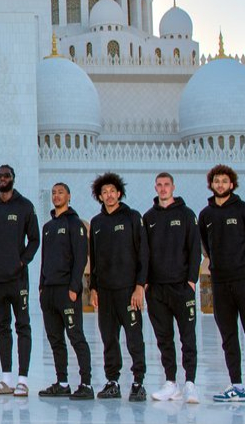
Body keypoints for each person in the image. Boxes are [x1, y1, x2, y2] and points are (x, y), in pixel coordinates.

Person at [199, 164, 245, 405]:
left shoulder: (243, 210)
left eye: (224, 181)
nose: (220, 185)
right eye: (216, 181)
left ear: (232, 184)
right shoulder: (206, 215)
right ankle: (236, 385)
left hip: (244, 282)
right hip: (220, 283)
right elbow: (205, 246)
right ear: (211, 184)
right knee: (228, 337)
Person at [90, 172, 149, 402]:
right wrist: (93, 288)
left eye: (112, 191)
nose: (109, 195)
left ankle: (138, 382)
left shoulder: (133, 218)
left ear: (119, 193)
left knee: (134, 337)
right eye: (104, 192)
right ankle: (112, 380)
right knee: (109, 338)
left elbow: (143, 253)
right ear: (100, 196)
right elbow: (93, 259)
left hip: (128, 291)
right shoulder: (96, 223)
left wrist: (139, 286)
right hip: (105, 291)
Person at [0, 164, 39, 397]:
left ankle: (22, 380)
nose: (3, 179)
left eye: (6, 176)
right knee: (2, 328)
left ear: (13, 178)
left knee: (22, 326)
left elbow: (34, 240)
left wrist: (21, 262)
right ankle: (6, 379)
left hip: (17, 280)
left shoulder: (25, 206)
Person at [143, 172, 200, 404]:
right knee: (164, 338)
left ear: (173, 187)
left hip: (181, 287)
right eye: (159, 185)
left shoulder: (187, 215)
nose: (163, 189)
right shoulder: (149, 218)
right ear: (155, 188)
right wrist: (145, 283)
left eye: (167, 185)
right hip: (157, 289)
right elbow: (143, 253)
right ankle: (171, 382)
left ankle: (190, 383)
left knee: (187, 336)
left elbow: (195, 249)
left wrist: (191, 281)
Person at [37, 182, 93, 400]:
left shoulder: (74, 224)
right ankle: (62, 382)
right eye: (53, 192)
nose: (56, 196)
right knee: (55, 339)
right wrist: (41, 286)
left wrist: (74, 287)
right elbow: (44, 260)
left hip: (66, 291)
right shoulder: (48, 227)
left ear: (69, 196)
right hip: (49, 291)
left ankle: (86, 383)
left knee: (75, 336)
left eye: (60, 192)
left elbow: (81, 258)